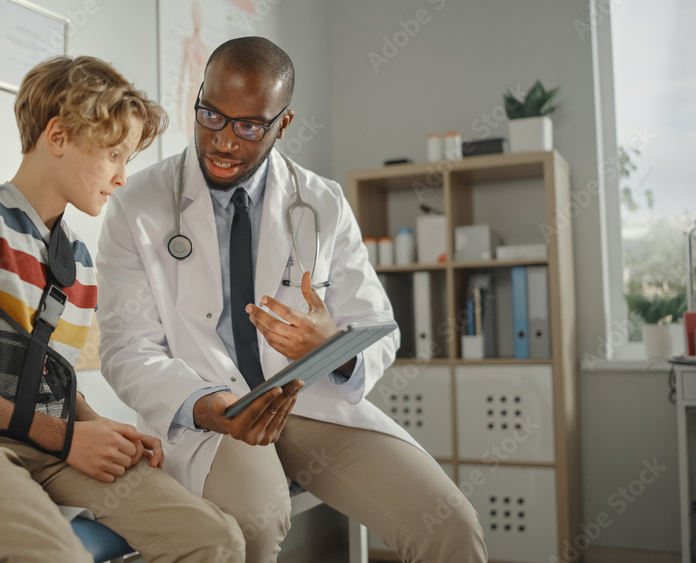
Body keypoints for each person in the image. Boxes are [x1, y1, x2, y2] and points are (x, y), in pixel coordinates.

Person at [97, 37, 488, 562]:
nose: (224, 141)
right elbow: (127, 349)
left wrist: (336, 347)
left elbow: (376, 323)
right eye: (211, 115)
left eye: (249, 126)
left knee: (449, 526)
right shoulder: (136, 205)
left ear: (283, 123)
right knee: (257, 524)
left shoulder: (321, 203)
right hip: (211, 412)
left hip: (309, 402)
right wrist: (208, 408)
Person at [0, 55, 245, 563]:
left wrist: (101, 428)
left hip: (44, 444)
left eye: (128, 160)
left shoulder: (78, 260)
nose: (122, 177)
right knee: (59, 555)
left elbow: (48, 384)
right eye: (114, 154)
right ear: (57, 136)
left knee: (217, 538)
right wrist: (65, 436)